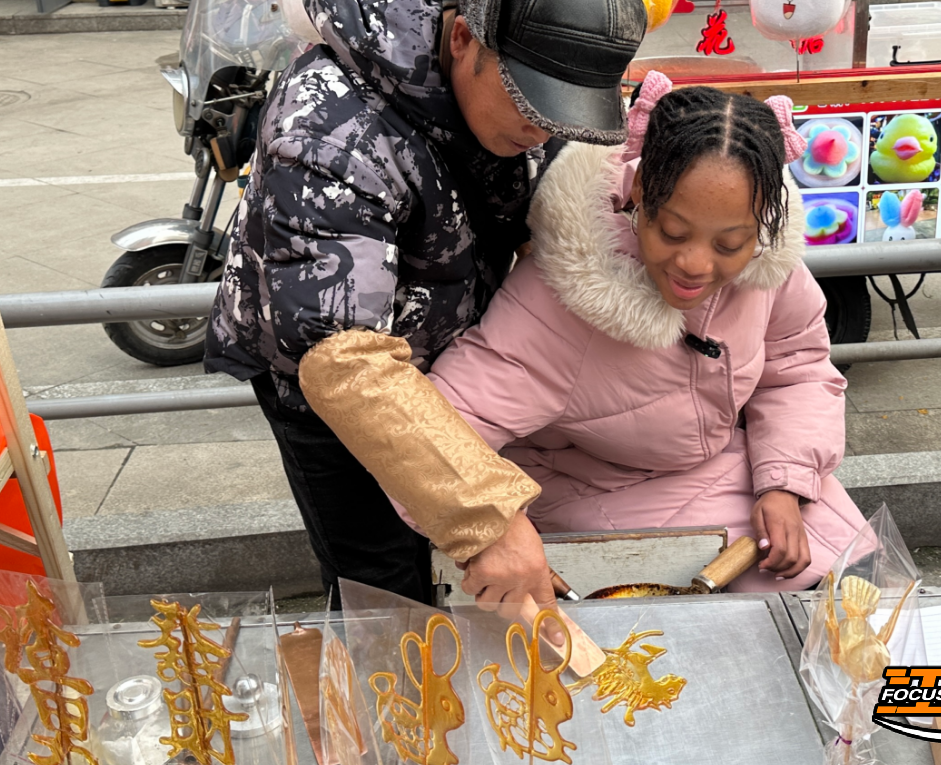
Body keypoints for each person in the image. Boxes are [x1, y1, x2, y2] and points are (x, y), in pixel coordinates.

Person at [204, 0, 648, 604]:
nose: (541, 131)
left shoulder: (512, 94)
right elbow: (340, 357)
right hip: (325, 370)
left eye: (562, 112)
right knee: (383, 585)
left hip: (444, 343)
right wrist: (488, 516)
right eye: (529, 102)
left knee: (447, 549)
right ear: (463, 38)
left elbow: (548, 208)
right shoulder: (329, 128)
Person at [387, 72, 870, 605]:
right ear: (639, 190)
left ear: (761, 223)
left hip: (724, 465)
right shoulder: (560, 301)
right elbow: (429, 438)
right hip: (593, 487)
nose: (695, 264)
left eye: (730, 244)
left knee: (863, 578)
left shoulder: (769, 269)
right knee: (808, 602)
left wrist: (785, 483)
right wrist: (496, 526)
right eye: (673, 233)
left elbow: (798, 371)